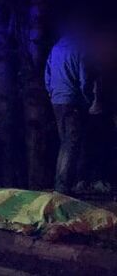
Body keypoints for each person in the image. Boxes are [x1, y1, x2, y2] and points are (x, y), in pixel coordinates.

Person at [45, 34, 95, 195]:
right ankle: (64, 186)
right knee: (71, 144)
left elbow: (47, 75)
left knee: (65, 143)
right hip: (73, 100)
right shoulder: (80, 48)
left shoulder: (55, 48)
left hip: (57, 101)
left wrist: (52, 92)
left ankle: (63, 184)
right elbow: (84, 78)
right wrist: (88, 99)